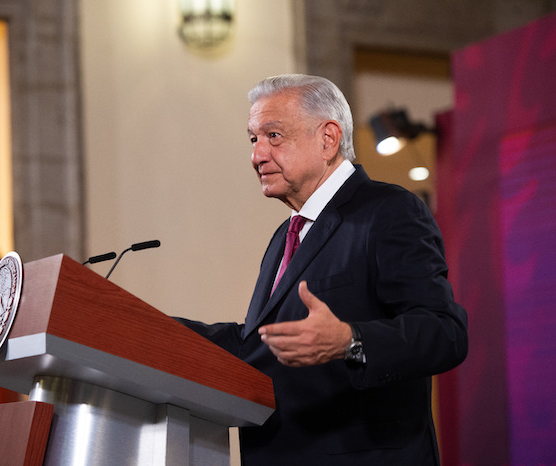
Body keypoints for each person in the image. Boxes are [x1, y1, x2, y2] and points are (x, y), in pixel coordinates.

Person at [176, 74, 468, 465]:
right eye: (253, 139)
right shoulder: (286, 234)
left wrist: (351, 340)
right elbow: (258, 345)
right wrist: (143, 326)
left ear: (328, 139)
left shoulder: (389, 211)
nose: (257, 155)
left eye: (273, 136)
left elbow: (444, 332)